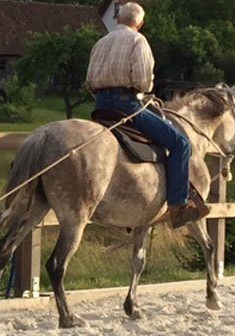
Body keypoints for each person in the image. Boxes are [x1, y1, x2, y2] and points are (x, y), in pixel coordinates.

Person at [86, 1, 208, 229]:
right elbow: (143, 80)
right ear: (139, 23)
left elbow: (89, 81)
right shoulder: (137, 41)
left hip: (101, 106)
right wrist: (141, 92)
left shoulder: (100, 42)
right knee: (181, 143)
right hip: (127, 105)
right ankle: (177, 205)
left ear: (118, 19)